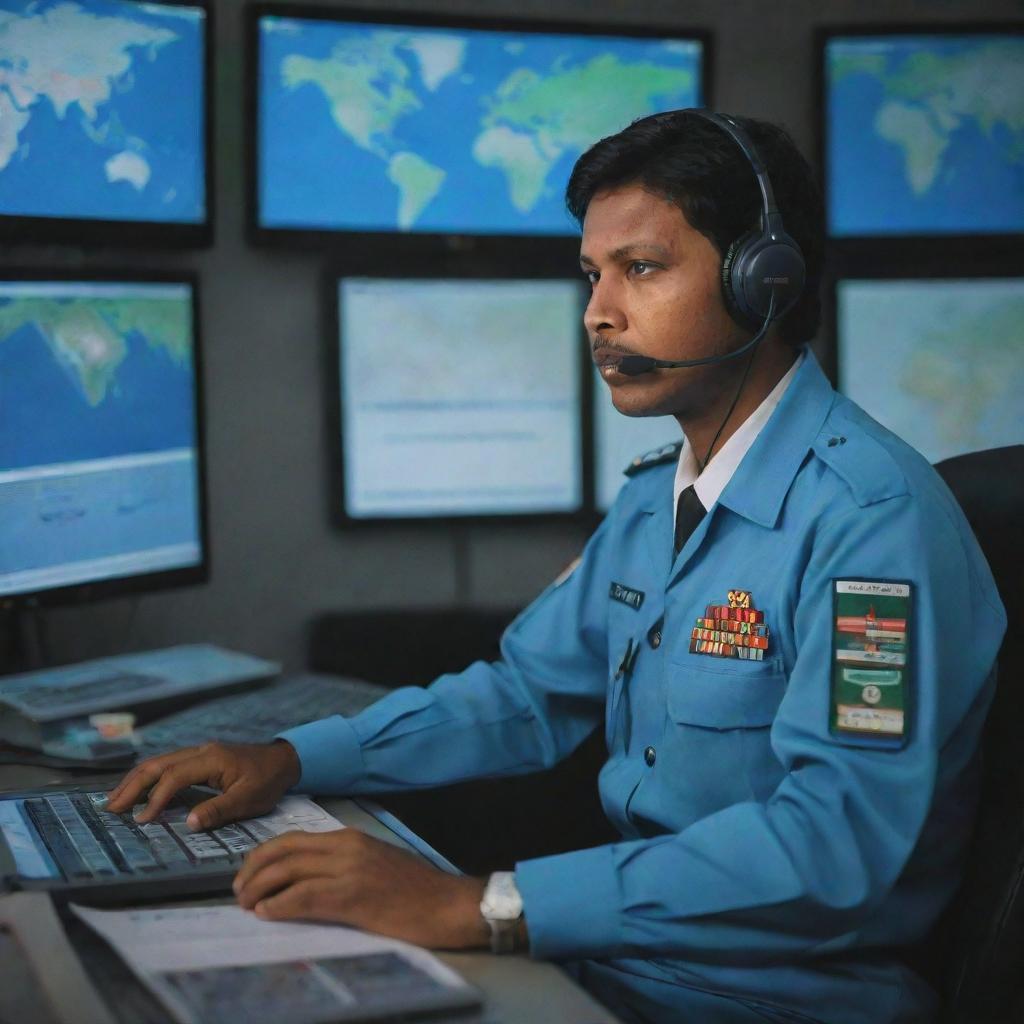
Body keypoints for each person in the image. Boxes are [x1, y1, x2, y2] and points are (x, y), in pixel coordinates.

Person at [106, 110, 1006, 1024]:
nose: (598, 312)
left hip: (769, 1001)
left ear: (764, 280)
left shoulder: (872, 524)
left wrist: (479, 904)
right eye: (592, 274)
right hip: (614, 962)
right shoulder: (658, 497)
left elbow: (835, 847)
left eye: (642, 269)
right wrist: (296, 756)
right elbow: (524, 695)